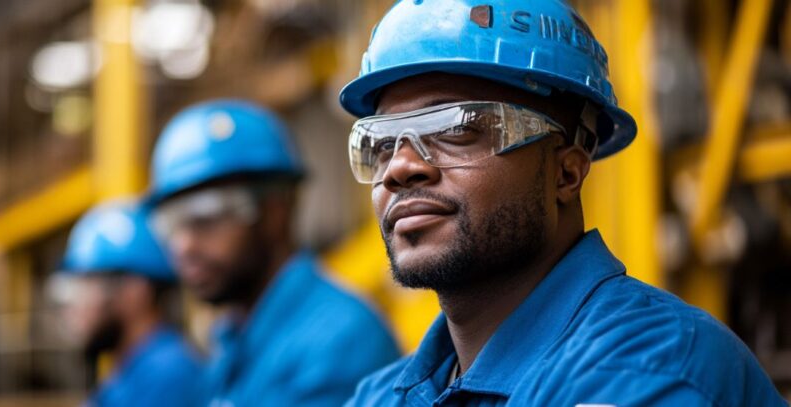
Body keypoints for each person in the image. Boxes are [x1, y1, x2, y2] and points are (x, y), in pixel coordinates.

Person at [337, 0, 786, 405]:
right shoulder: (381, 396)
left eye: (457, 129)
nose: (399, 168)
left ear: (566, 172)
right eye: (381, 144)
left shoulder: (649, 373)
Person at [147, 100, 401, 406]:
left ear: (276, 211)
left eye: (205, 216)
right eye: (171, 223)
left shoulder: (339, 343)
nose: (183, 245)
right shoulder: (234, 338)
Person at [59, 201, 201, 406]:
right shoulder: (129, 372)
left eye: (87, 285)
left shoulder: (168, 375)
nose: (72, 305)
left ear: (135, 290)